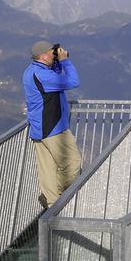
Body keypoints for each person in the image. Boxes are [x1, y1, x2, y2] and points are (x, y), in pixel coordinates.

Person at [23, 40, 82, 209]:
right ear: (42, 56)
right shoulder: (43, 75)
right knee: (72, 163)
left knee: (48, 171)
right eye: (51, 53)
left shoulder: (33, 71)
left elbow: (55, 80)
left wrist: (55, 62)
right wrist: (65, 61)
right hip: (53, 128)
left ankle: (52, 206)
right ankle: (59, 195)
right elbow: (73, 81)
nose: (54, 55)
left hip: (39, 128)